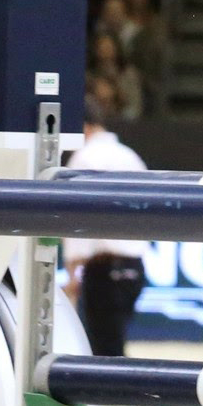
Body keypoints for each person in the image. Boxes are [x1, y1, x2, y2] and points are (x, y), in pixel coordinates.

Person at [64, 93, 148, 355]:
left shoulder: (84, 158)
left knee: (101, 350)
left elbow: (78, 218)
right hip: (134, 267)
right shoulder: (130, 157)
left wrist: (73, 272)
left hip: (102, 268)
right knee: (114, 345)